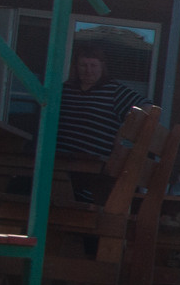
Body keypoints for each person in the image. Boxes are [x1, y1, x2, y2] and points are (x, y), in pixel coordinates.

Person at [52, 42, 141, 205]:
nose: (88, 70)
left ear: (102, 66)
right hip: (58, 166)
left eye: (93, 65)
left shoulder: (114, 91)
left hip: (92, 172)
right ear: (76, 67)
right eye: (83, 65)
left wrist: (123, 136)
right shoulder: (63, 91)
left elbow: (148, 107)